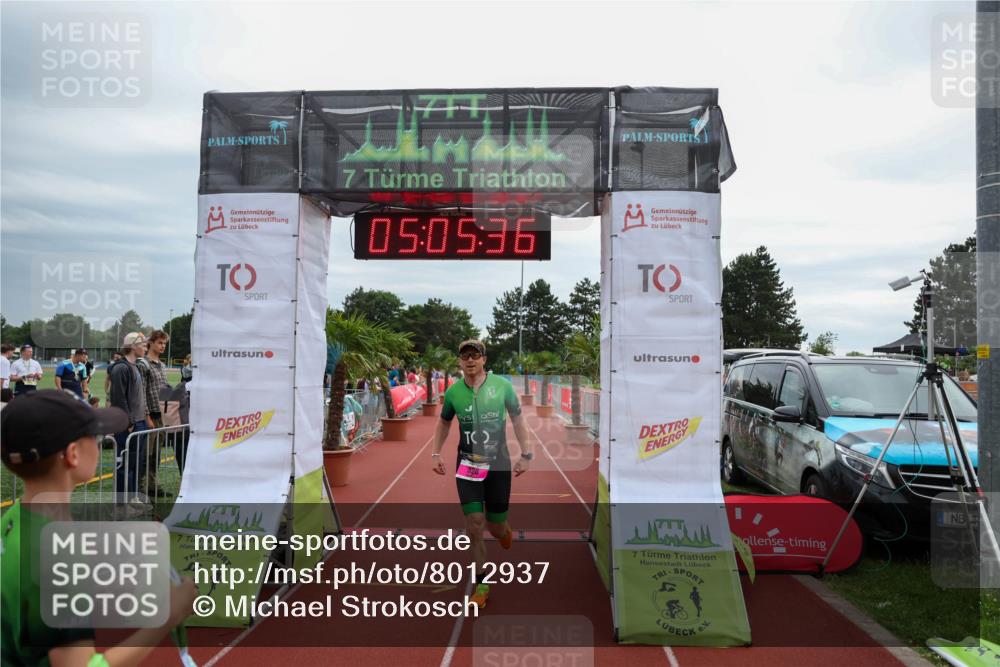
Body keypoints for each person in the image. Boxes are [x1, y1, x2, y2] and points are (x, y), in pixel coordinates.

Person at [0, 390, 196, 666]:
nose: (101, 441)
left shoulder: (14, 519)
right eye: (94, 435)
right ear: (73, 455)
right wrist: (167, 617)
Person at [431, 339, 532, 610]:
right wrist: (435, 452)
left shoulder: (503, 387)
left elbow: (518, 419)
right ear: (459, 361)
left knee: (495, 527)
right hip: (468, 464)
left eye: (475, 355)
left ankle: (503, 530)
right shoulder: (453, 393)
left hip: (498, 464)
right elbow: (443, 423)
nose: (470, 360)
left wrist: (526, 454)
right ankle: (482, 584)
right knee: (474, 524)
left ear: (484, 359)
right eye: (465, 356)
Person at [108, 333, 149, 507]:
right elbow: (118, 398)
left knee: (135, 464)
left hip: (139, 422)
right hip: (129, 425)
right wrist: (129, 421)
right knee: (124, 465)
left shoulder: (135, 366)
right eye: (143, 344)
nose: (146, 347)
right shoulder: (121, 368)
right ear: (133, 346)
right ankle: (121, 505)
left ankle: (132, 498)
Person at [137, 331, 172, 499]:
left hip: (161, 415)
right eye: (159, 342)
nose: (163, 346)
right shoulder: (143, 364)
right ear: (150, 343)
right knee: (146, 454)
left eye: (164, 343)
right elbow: (141, 393)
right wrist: (147, 416)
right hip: (149, 415)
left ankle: (152, 485)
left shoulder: (162, 365)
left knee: (156, 454)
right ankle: (140, 487)